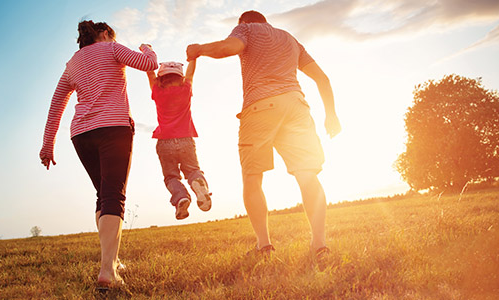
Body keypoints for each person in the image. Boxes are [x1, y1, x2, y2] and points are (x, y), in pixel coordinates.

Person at [185, 10, 341, 258]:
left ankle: (264, 246)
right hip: (296, 107)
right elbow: (322, 79)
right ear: (266, 21)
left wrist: (199, 49)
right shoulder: (289, 38)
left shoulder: (246, 29)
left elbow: (228, 47)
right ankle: (319, 245)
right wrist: (331, 115)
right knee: (307, 175)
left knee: (253, 177)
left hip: (260, 108)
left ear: (243, 22)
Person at [40, 20, 157, 289]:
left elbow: (57, 103)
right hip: (114, 127)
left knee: (103, 195)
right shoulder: (111, 48)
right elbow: (148, 64)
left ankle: (111, 261)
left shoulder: (72, 63)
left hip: (81, 134)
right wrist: (147, 48)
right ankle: (107, 272)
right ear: (104, 34)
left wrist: (48, 144)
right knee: (114, 195)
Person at [145, 60, 212, 220]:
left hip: (164, 142)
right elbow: (190, 74)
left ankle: (181, 197)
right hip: (186, 139)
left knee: (171, 176)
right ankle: (198, 183)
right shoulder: (186, 89)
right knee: (193, 170)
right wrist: (194, 58)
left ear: (160, 79)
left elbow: (149, 73)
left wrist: (146, 53)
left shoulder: (157, 91)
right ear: (180, 77)